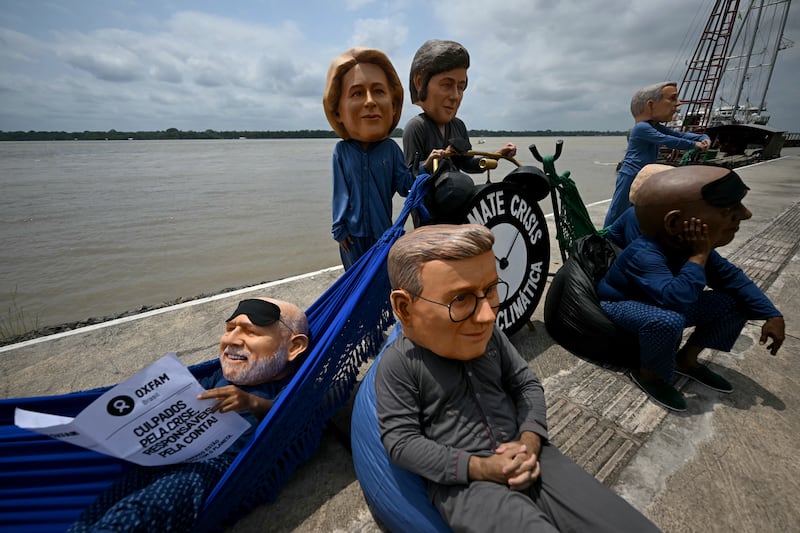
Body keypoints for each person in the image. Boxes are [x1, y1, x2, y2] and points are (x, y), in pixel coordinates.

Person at [375, 224, 661, 532]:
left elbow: (526, 384)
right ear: (405, 307)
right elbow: (402, 442)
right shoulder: (400, 365)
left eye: (491, 291)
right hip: (467, 485)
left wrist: (530, 440)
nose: (487, 316)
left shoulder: (491, 338)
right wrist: (480, 467)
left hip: (529, 454)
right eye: (461, 300)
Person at [69, 297, 310, 533]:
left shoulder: (290, 387)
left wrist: (253, 403)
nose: (232, 340)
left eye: (250, 332)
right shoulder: (215, 377)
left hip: (222, 471)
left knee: (145, 510)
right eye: (229, 329)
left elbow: (299, 414)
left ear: (293, 347)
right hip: (167, 459)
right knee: (106, 502)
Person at [597, 165, 785, 411]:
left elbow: (733, 279)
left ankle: (686, 360)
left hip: (660, 295)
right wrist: (698, 256)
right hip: (622, 302)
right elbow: (675, 301)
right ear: (674, 221)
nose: (745, 214)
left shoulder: (687, 245)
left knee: (737, 302)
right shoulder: (644, 252)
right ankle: (648, 375)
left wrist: (771, 314)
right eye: (729, 210)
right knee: (667, 320)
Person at [323, 47, 415, 270]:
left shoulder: (391, 150)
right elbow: (340, 192)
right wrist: (338, 228)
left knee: (381, 281)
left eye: (379, 91)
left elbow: (406, 187)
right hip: (351, 235)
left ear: (393, 106)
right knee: (353, 282)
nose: (370, 102)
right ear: (337, 112)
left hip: (382, 233)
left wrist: (427, 169)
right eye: (357, 93)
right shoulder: (342, 151)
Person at [604, 82, 711, 227]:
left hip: (645, 175)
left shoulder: (654, 126)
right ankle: (606, 238)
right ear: (650, 105)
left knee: (637, 211)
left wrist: (702, 138)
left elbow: (677, 135)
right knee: (618, 210)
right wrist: (694, 144)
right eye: (672, 99)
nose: (677, 104)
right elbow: (667, 140)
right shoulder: (641, 128)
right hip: (631, 174)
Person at [402, 39, 516, 176]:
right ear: (420, 83)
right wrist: (429, 163)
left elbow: (468, 164)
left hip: (459, 191)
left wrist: (498, 155)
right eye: (446, 85)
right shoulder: (416, 127)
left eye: (460, 87)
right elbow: (409, 178)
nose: (455, 96)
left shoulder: (458, 126)